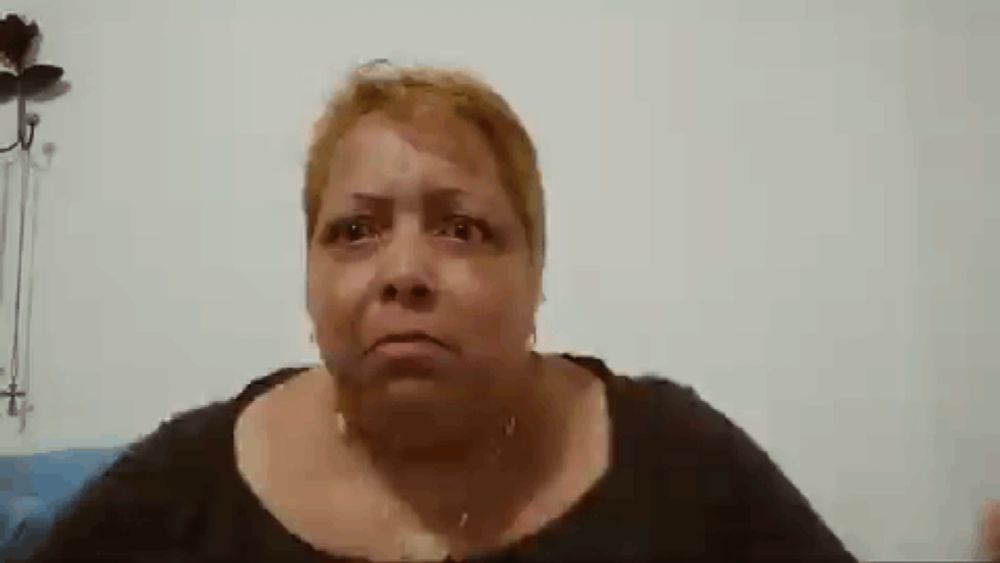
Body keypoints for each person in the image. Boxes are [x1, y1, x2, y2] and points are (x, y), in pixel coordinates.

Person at [25, 61, 859, 562]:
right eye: (355, 230)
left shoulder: (684, 463)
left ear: (536, 272)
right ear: (308, 271)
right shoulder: (179, 490)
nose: (405, 272)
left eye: (461, 228)